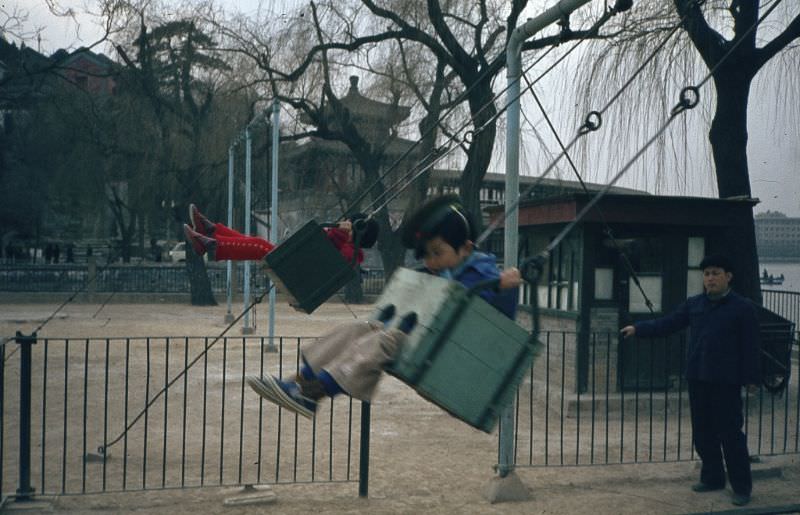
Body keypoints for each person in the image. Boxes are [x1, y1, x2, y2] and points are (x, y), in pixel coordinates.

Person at [245, 195, 522, 418]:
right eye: (427, 255)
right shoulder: (446, 271)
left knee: (386, 340)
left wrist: (503, 288)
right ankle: (299, 381)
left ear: (466, 248)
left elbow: (494, 324)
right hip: (428, 342)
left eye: (438, 253)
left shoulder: (486, 276)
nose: (432, 262)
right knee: (360, 329)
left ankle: (316, 392)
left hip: (454, 354)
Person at [620, 254, 760, 507]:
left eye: (716, 273)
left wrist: (751, 378)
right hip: (698, 378)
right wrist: (639, 329)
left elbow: (751, 347)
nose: (710, 278)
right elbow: (669, 323)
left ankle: (742, 488)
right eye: (706, 274)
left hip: (726, 382)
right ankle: (713, 478)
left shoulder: (743, 308)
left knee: (730, 436)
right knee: (703, 434)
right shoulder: (694, 304)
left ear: (728, 277)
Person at [182, 204, 378, 264]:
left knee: (259, 246)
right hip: (297, 262)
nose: (345, 227)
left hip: (298, 271)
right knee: (257, 242)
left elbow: (331, 256)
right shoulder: (344, 243)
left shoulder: (353, 255)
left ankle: (212, 245)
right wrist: (338, 233)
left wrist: (341, 234)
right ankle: (212, 232)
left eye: (350, 227)